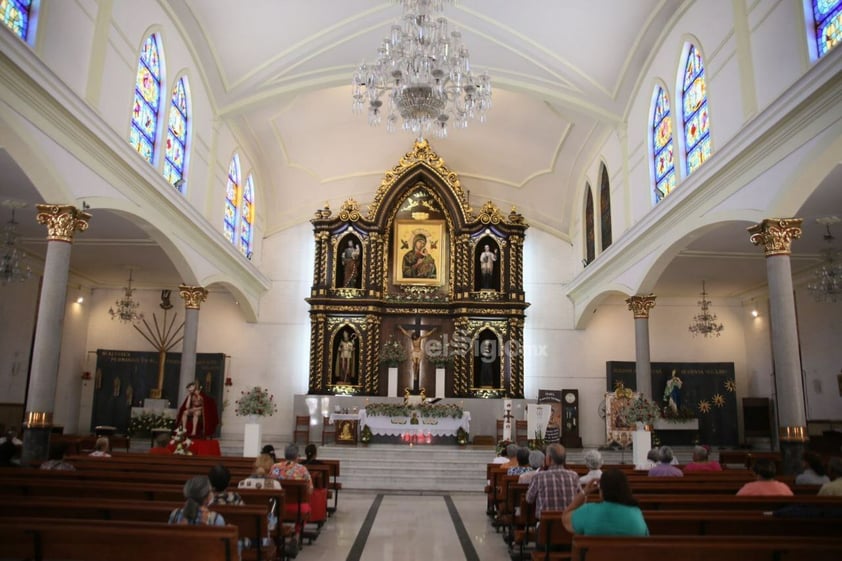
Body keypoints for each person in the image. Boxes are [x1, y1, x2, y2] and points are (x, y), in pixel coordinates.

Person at [562, 468, 649, 536]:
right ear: (626, 489)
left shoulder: (589, 511)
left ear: (602, 491)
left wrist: (584, 492)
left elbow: (565, 518)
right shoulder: (636, 513)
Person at [525, 443, 580, 520]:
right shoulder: (574, 476)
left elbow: (529, 499)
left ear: (548, 458)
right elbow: (580, 498)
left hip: (546, 526)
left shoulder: (539, 477)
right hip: (569, 525)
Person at [397, 324, 438, 390]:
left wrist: (433, 330)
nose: (415, 337)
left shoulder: (420, 338)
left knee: (418, 363)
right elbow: (406, 333)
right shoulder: (411, 338)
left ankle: (416, 373)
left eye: (415, 335)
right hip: (414, 352)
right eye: (414, 336)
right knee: (414, 363)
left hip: (419, 352)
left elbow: (427, 334)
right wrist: (401, 328)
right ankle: (415, 374)